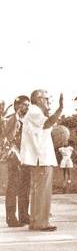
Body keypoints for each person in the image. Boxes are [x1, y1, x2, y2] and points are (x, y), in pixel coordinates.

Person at [20, 90, 63, 232]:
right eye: (46, 99)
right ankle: (41, 222)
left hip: (41, 157)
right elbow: (47, 124)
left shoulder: (36, 112)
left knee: (39, 191)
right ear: (38, 99)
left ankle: (36, 221)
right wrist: (60, 108)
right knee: (42, 191)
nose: (48, 102)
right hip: (41, 158)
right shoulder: (34, 111)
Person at [4, 95, 31, 227]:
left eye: (28, 104)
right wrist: (16, 118)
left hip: (25, 156)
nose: (27, 107)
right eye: (25, 104)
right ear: (17, 106)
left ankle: (24, 215)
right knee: (13, 187)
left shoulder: (27, 120)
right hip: (14, 155)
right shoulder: (11, 119)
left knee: (25, 187)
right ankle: (11, 217)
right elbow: (9, 136)